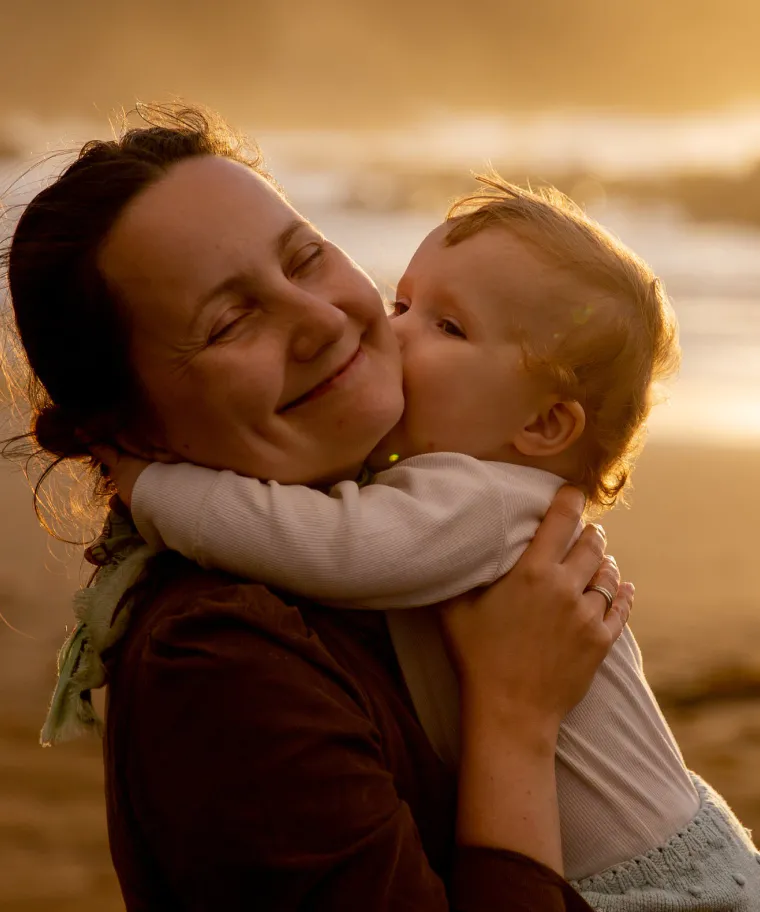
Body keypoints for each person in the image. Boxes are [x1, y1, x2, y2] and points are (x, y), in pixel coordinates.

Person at [2, 104, 632, 910]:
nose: (321, 319)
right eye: (230, 321)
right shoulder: (220, 664)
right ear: (129, 432)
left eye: (303, 259)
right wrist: (513, 722)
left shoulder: (412, 525)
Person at [102, 177, 760, 908]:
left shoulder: (481, 500)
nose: (393, 330)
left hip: (655, 885)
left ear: (544, 426)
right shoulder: (473, 495)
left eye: (448, 327)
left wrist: (157, 487)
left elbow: (329, 546)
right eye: (405, 304)